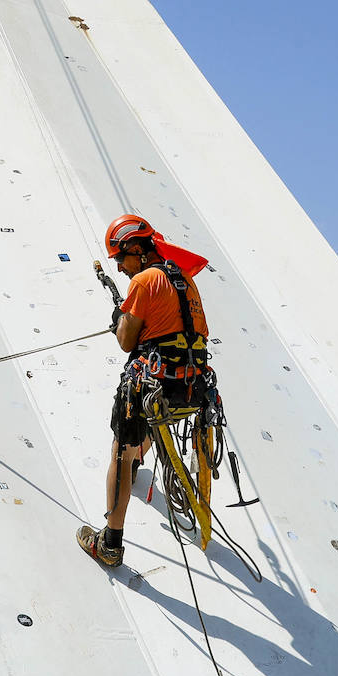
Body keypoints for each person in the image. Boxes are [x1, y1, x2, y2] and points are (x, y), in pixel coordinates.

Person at [78, 214, 211, 567]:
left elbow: (126, 341)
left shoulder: (144, 282)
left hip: (155, 388)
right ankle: (140, 458)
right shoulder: (185, 280)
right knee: (151, 419)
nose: (120, 268)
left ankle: (109, 544)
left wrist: (120, 320)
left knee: (120, 453)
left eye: (121, 258)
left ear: (136, 249)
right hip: (191, 390)